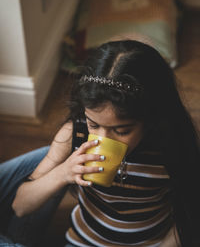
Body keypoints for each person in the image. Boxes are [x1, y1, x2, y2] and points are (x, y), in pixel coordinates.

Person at [12, 40, 200, 247]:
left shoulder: (170, 146)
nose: (104, 139)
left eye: (122, 131)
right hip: (83, 241)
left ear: (151, 118)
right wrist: (63, 172)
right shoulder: (74, 133)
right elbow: (20, 206)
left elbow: (190, 216)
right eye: (93, 124)